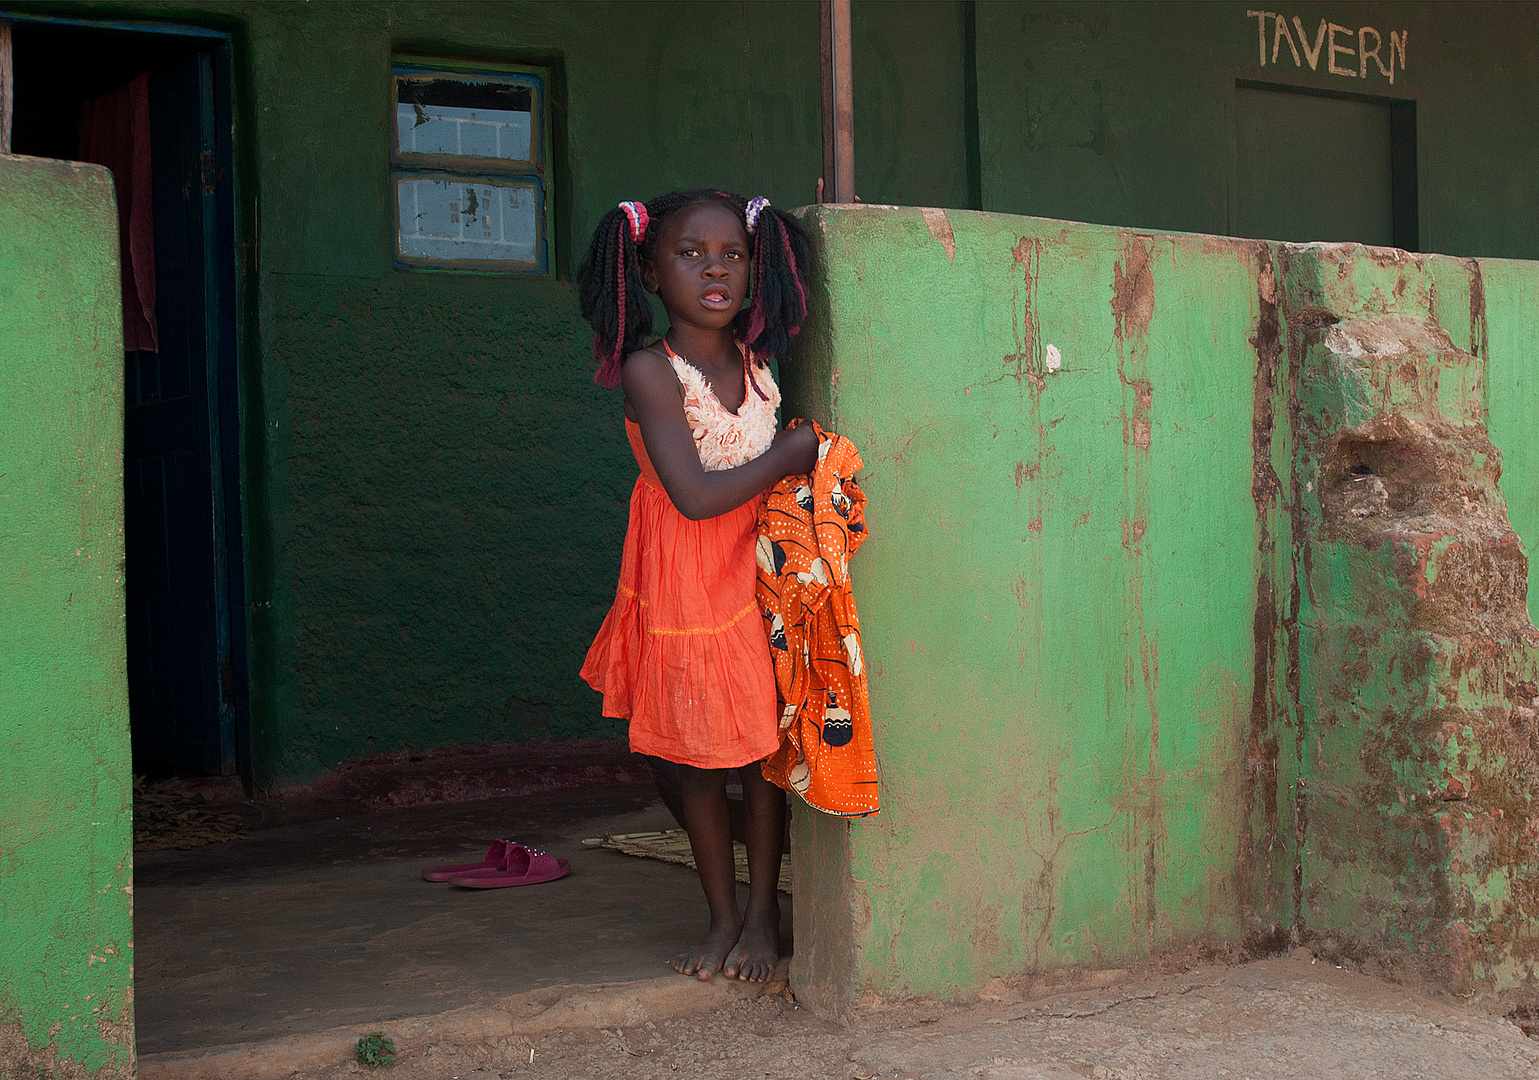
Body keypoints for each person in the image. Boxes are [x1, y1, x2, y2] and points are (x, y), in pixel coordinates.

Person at [577, 190, 817, 982]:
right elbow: (695, 495)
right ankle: (720, 917)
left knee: (759, 758)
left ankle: (761, 917)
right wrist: (790, 455)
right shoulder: (650, 370)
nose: (714, 267)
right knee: (700, 764)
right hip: (686, 581)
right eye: (689, 254)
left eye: (732, 254)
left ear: (756, 267)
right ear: (647, 270)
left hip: (751, 579)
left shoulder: (756, 365)